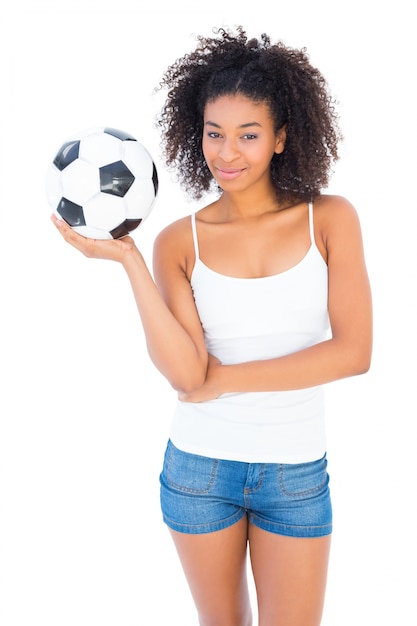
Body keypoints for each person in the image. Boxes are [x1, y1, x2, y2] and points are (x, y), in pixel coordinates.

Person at [52, 26, 372, 626]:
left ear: (281, 138)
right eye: (214, 133)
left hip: (295, 471)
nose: (227, 153)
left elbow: (354, 352)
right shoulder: (179, 241)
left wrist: (227, 380)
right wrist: (129, 260)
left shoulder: (329, 219)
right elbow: (185, 373)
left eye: (248, 135)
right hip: (200, 469)